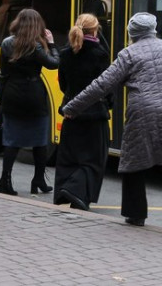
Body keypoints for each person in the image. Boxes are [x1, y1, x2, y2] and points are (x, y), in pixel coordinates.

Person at [61, 12, 162, 232]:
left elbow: (102, 85)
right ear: (153, 30)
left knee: (133, 164)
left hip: (142, 114)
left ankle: (136, 214)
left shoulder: (128, 54)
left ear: (132, 33)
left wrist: (72, 107)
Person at [0, 8, 59, 196]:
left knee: (12, 140)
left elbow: (3, 71)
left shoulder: (7, 43)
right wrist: (52, 44)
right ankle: (38, 179)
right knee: (40, 140)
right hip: (33, 95)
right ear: (37, 26)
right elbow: (53, 64)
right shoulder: (36, 46)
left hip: (12, 94)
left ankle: (5, 180)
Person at [53, 13, 111, 211]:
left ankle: (66, 190)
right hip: (94, 114)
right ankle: (77, 191)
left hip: (71, 112)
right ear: (95, 30)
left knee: (69, 156)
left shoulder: (66, 53)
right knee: (94, 158)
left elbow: (63, 85)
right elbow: (106, 85)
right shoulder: (100, 54)